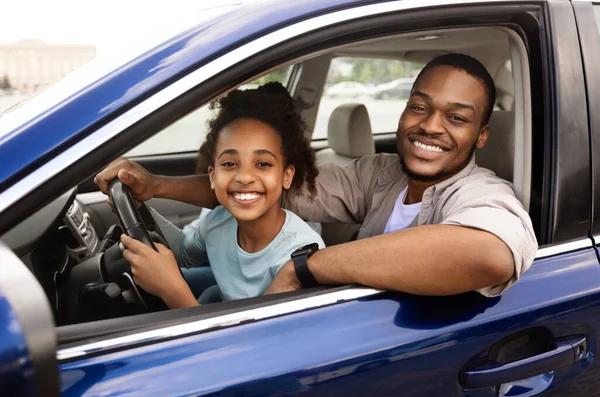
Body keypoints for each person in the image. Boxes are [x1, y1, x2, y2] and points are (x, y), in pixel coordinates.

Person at [96, 53, 538, 299]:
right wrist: (154, 186)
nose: (430, 126)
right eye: (419, 107)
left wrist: (303, 268)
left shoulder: (482, 193)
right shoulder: (381, 174)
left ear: (481, 136)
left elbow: (491, 253)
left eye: (456, 118)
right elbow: (262, 189)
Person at [114, 82, 325, 308]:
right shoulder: (219, 221)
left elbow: (259, 341)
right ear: (213, 177)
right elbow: (186, 254)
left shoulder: (299, 255)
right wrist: (138, 206)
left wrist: (172, 290)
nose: (244, 177)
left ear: (286, 176)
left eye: (263, 163)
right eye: (230, 163)